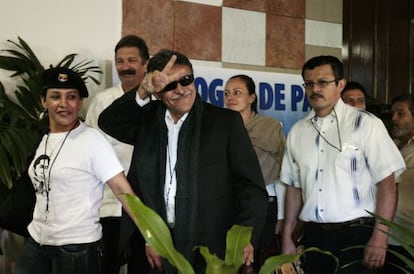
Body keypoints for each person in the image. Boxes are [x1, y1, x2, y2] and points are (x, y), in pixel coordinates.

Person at [98, 49, 268, 273]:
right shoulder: (147, 118)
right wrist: (142, 90)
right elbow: (109, 122)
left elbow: (250, 186)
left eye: (186, 80)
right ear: (158, 93)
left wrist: (246, 236)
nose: (181, 90)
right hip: (154, 243)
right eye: (170, 85)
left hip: (210, 246)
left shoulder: (224, 123)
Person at [280, 55, 406, 274]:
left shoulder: (366, 124)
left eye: (322, 82)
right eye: (309, 83)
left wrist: (380, 237)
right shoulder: (298, 132)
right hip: (314, 237)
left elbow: (387, 183)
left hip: (357, 235)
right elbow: (293, 186)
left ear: (340, 84)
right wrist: (287, 237)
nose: (315, 89)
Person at [14, 67, 137, 274]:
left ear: (79, 103)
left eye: (71, 97)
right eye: (55, 96)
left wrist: (152, 238)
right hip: (37, 241)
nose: (64, 104)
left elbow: (123, 191)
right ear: (44, 101)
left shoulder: (92, 141)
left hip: (77, 249)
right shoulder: (44, 138)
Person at [85, 34, 149, 274]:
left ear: (146, 64)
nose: (125, 67)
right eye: (120, 61)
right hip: (110, 206)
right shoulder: (102, 102)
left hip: (148, 207)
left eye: (132, 60)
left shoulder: (159, 102)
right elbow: (90, 154)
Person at [223, 74, 286, 271]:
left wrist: (281, 216)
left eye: (237, 92)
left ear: (252, 98)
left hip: (264, 205)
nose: (230, 97)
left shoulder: (270, 127)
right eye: (226, 93)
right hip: (229, 205)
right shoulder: (220, 128)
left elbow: (284, 172)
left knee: (255, 262)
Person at [381, 94, 414, 273]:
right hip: (384, 237)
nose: (394, 119)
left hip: (408, 238)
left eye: (400, 114)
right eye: (393, 113)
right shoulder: (389, 146)